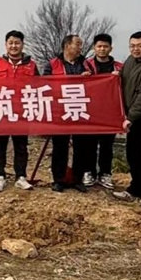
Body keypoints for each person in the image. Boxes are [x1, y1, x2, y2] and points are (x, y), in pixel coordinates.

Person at [0, 30, 39, 192]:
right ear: (6, 45)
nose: (14, 46)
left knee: (21, 146)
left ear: (22, 45)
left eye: (17, 43)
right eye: (11, 43)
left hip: (21, 112)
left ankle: (21, 177)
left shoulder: (31, 65)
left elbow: (39, 85)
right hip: (1, 110)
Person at [114, 31, 141, 206]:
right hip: (132, 116)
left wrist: (130, 116)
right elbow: (124, 78)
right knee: (133, 153)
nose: (136, 49)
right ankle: (136, 189)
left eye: (140, 46)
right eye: (132, 46)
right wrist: (116, 76)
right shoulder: (130, 60)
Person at [43, 35, 90, 193]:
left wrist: (88, 78)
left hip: (80, 109)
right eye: (77, 44)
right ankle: (58, 179)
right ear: (67, 45)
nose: (80, 48)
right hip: (59, 111)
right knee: (60, 146)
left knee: (81, 146)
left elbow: (96, 82)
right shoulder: (52, 64)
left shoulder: (86, 64)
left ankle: (78, 179)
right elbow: (44, 84)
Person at [82, 33, 122, 189]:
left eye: (105, 46)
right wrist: (83, 77)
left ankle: (105, 173)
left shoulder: (119, 67)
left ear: (111, 48)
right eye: (99, 46)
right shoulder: (86, 65)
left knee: (107, 145)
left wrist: (119, 78)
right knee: (89, 144)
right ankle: (89, 172)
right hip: (90, 111)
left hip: (109, 112)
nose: (102, 49)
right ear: (94, 48)